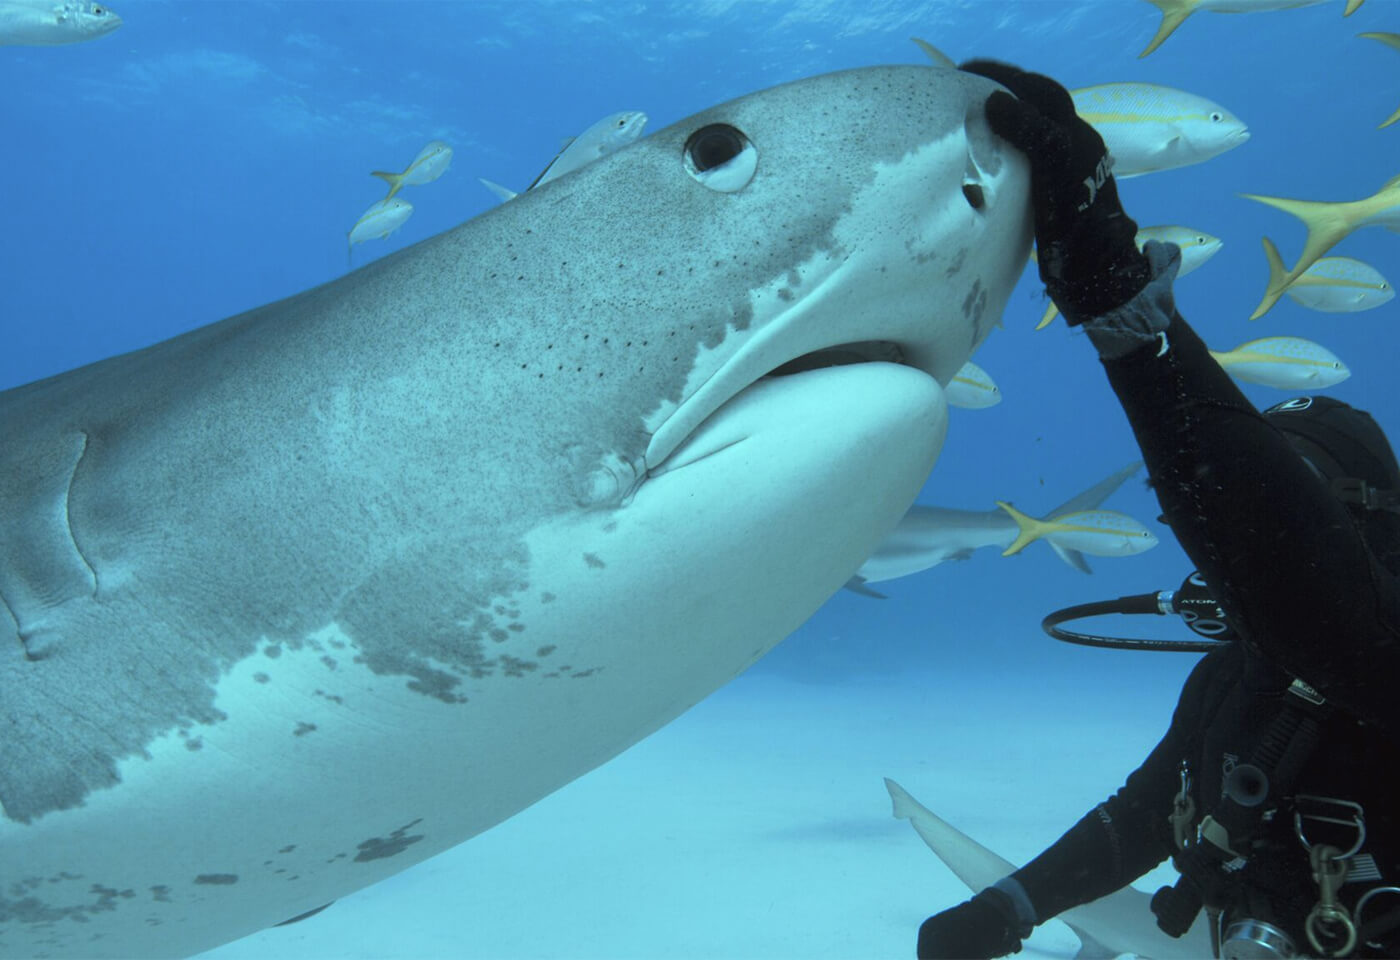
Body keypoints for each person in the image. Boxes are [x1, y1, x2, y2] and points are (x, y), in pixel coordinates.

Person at [916, 61, 1400, 960]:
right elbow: (1147, 815)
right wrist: (1012, 907)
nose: (1217, 534)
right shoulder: (1240, 682)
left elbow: (1308, 586)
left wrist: (1113, 288)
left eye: (1299, 492)